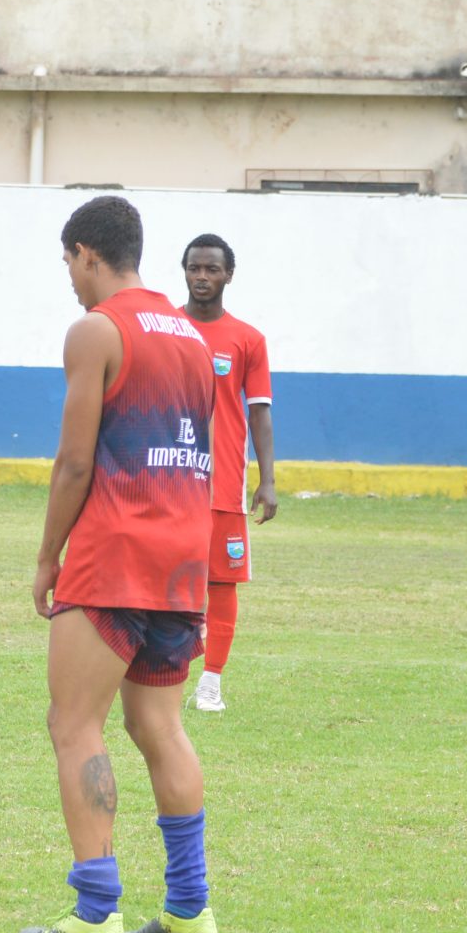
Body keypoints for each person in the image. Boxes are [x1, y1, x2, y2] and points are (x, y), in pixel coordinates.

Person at [22, 195, 220, 933]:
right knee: (157, 725)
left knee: (74, 723)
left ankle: (96, 908)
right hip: (182, 558)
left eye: (69, 264)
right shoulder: (193, 339)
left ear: (86, 254)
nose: (71, 280)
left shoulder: (95, 331)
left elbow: (76, 460)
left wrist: (48, 557)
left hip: (112, 556)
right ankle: (189, 907)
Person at [179, 232, 278, 714]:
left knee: (221, 584)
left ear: (228, 276)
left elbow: (260, 412)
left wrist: (269, 479)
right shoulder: (164, 327)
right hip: (168, 482)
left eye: (212, 269)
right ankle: (162, 672)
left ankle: (210, 683)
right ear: (184, 270)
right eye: (195, 268)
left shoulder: (247, 339)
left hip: (222, 486)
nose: (203, 277)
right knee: (165, 580)